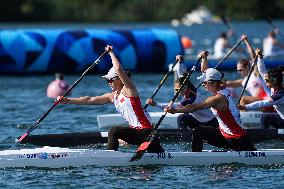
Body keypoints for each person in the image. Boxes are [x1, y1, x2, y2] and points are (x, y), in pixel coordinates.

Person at [57, 45, 164, 153]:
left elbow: (118, 68)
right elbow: (89, 99)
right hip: (138, 133)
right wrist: (68, 100)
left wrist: (111, 53)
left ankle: (109, 156)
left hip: (146, 132)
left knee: (114, 131)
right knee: (119, 136)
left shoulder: (129, 90)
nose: (109, 83)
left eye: (110, 80)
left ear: (119, 79)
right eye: (107, 81)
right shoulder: (113, 96)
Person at [165, 52, 256, 152]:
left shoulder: (218, 98)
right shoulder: (222, 86)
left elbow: (195, 107)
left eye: (205, 83)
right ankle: (196, 157)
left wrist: (175, 110)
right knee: (198, 131)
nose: (203, 84)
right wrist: (204, 58)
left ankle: (195, 158)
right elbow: (206, 72)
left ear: (212, 82)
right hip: (225, 136)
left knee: (199, 130)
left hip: (238, 139)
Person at [146, 53, 218, 130]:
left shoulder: (191, 100)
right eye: (176, 90)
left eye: (179, 90)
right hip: (199, 121)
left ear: (186, 88)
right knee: (181, 118)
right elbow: (181, 74)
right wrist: (180, 62)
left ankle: (184, 136)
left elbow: (173, 106)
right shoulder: (190, 87)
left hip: (211, 123)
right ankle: (183, 134)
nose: (177, 92)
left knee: (182, 117)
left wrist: (156, 104)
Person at [238, 49, 284, 129]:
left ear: (274, 81)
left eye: (267, 81)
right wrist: (260, 57)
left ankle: (264, 135)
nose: (265, 84)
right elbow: (262, 70)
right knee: (266, 117)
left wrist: (246, 107)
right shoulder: (275, 86)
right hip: (280, 117)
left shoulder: (280, 95)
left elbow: (261, 103)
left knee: (264, 117)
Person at [225, 35, 272, 110]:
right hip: (261, 104)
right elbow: (226, 84)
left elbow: (254, 57)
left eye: (240, 70)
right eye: (237, 71)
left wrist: (246, 41)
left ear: (247, 67)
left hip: (268, 100)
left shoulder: (255, 73)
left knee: (243, 99)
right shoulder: (242, 82)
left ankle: (240, 118)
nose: (238, 73)